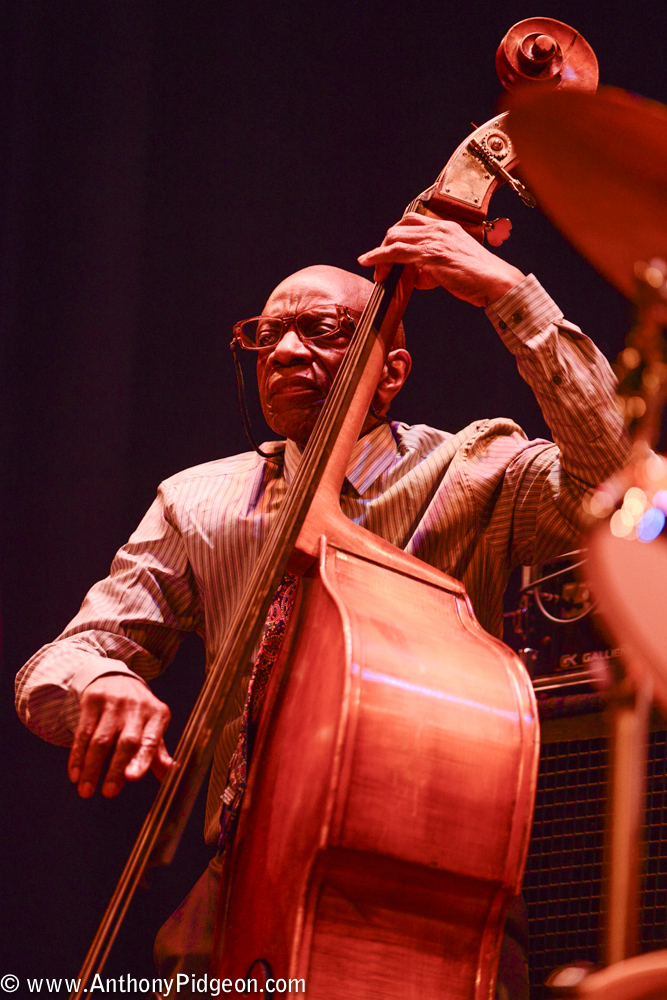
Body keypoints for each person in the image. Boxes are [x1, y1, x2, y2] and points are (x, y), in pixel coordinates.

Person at [16, 214, 627, 998]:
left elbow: (613, 481)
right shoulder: (199, 500)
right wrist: (99, 684)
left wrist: (510, 295)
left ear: (391, 372)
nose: (283, 352)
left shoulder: (476, 470)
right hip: (241, 895)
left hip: (430, 894)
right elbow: (60, 662)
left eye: (321, 331)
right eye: (266, 336)